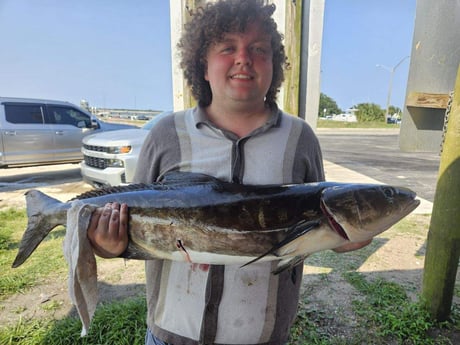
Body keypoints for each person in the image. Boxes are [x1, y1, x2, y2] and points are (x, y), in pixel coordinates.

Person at [87, 1, 371, 344]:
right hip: (170, 335)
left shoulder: (300, 139)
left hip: (262, 336)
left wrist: (343, 237)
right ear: (202, 65)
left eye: (258, 49)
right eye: (227, 48)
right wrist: (109, 245)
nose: (243, 58)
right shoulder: (165, 135)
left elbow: (315, 225)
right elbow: (131, 223)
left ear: (275, 64)